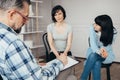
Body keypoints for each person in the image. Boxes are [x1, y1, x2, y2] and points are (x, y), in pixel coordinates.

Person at [0, 0, 68, 80]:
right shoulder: (13, 43)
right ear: (11, 15)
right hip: (55, 57)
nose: (26, 22)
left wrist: (34, 64)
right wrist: (60, 62)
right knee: (70, 75)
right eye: (25, 17)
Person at [80, 15, 117, 80]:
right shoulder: (92, 28)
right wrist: (99, 51)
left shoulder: (113, 32)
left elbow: (108, 46)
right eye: (95, 23)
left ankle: (83, 78)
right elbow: (93, 44)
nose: (94, 25)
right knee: (96, 61)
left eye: (97, 24)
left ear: (103, 26)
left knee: (94, 59)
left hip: (106, 54)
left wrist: (102, 51)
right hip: (94, 52)